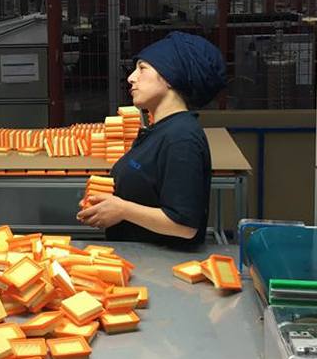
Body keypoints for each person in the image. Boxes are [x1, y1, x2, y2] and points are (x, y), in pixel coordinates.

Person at [76, 32, 227, 249]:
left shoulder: (181, 138)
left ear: (170, 76)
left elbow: (184, 226)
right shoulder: (160, 129)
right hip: (140, 257)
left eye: (142, 68)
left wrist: (122, 210)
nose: (131, 77)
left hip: (162, 263)